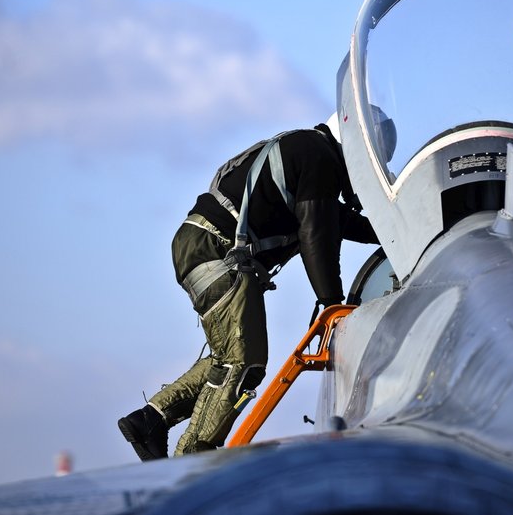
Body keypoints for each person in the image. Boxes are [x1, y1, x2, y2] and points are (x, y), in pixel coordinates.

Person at [118, 112, 393, 459]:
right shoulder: (318, 157)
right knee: (244, 363)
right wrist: (331, 303)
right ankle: (191, 460)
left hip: (201, 244)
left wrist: (390, 232)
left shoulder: (307, 150)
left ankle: (150, 421)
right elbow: (315, 233)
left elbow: (333, 220)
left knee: (230, 358)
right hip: (216, 250)